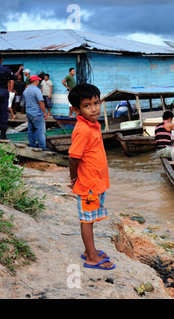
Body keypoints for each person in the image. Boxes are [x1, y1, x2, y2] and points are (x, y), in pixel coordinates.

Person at [68, 83, 115, 270]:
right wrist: (73, 179)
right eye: (87, 106)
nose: (94, 109)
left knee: (91, 217)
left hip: (96, 182)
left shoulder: (93, 125)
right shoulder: (83, 130)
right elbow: (73, 157)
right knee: (87, 220)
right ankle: (92, 257)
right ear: (76, 110)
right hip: (88, 185)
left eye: (96, 103)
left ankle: (90, 250)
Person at [23, 75, 48, 149]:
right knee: (40, 130)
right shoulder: (37, 90)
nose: (39, 81)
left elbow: (25, 101)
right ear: (36, 81)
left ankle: (32, 145)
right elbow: (41, 102)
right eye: (38, 80)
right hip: (37, 113)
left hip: (29, 112)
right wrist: (45, 113)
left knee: (31, 130)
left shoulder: (26, 90)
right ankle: (42, 147)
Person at [0, 56, 22, 139]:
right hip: (2, 92)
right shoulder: (5, 69)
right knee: (3, 113)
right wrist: (19, 70)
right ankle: (2, 134)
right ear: (1, 60)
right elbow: (14, 76)